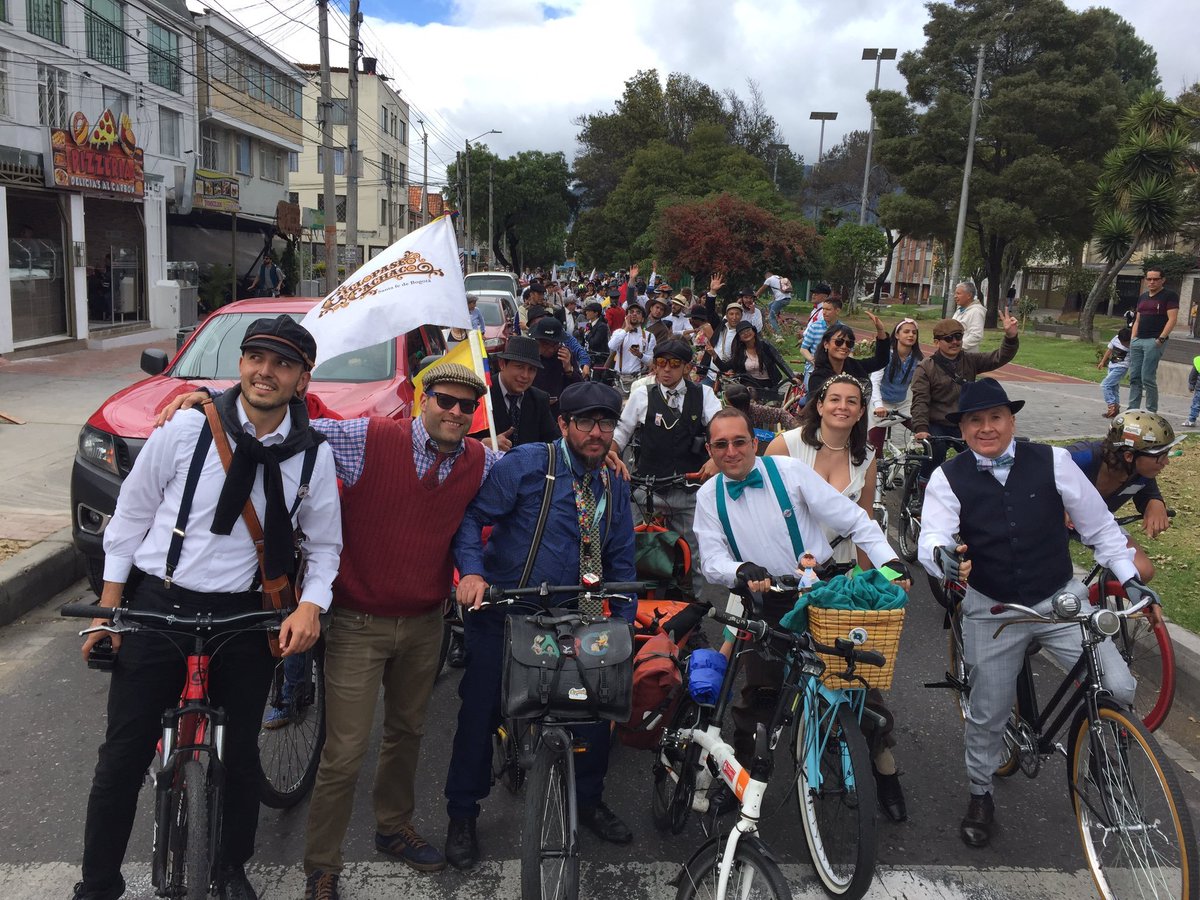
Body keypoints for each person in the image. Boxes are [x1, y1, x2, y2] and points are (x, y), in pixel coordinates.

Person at [74, 316, 342, 900]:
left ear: (302, 379)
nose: (265, 372)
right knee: (121, 757)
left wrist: (310, 606)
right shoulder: (185, 428)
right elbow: (130, 519)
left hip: (244, 614)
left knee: (239, 756)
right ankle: (97, 885)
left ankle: (228, 867)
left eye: (283, 364)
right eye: (256, 358)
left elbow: (325, 547)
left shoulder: (312, 455)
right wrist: (108, 610)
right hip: (160, 603)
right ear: (240, 364)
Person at [917, 379, 1151, 849]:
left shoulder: (1054, 461)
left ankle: (1104, 755)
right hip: (993, 606)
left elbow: (1100, 528)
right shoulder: (949, 477)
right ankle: (980, 793)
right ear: (962, 429)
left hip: (1058, 597)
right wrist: (943, 557)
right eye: (975, 420)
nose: (986, 428)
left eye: (995, 417)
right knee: (988, 711)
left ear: (1011, 420)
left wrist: (1130, 578)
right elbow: (933, 536)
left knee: (1118, 684)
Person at [445, 382, 638, 867]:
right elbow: (472, 518)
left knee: (597, 703)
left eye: (606, 423)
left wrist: (624, 626)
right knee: (480, 708)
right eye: (585, 422)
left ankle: (588, 799)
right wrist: (473, 573)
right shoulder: (528, 464)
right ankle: (462, 812)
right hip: (508, 608)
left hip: (579, 611)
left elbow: (620, 558)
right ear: (564, 424)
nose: (597, 433)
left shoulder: (614, 482)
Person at [694, 408, 910, 786]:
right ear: (710, 450)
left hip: (818, 592)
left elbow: (854, 519)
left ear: (755, 443)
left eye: (739, 441)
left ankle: (883, 767)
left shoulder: (788, 472)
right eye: (721, 444)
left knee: (855, 678)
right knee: (758, 693)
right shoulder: (708, 496)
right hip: (766, 601)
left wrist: (890, 564)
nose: (731, 451)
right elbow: (711, 561)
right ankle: (742, 782)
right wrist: (740, 569)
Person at [765, 372, 909, 822]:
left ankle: (884, 768)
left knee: (859, 675)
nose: (842, 407)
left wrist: (883, 576)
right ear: (819, 404)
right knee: (760, 677)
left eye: (852, 401)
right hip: (786, 574)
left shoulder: (865, 457)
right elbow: (761, 509)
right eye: (834, 399)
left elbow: (865, 523)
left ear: (862, 411)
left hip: (839, 575)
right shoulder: (786, 446)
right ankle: (745, 773)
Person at [612, 340, 722, 593]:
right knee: (629, 545)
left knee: (693, 553)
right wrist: (611, 453)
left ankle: (693, 605)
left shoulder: (703, 394)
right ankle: (628, 602)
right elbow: (622, 431)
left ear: (687, 367)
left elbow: (720, 427)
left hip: (689, 488)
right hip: (648, 486)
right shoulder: (642, 394)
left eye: (674, 364)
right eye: (661, 363)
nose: (666, 369)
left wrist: (716, 458)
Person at [1066, 409, 1182, 588]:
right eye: (1160, 457)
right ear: (1129, 456)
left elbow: (1149, 494)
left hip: (1098, 524)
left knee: (1142, 571)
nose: (1166, 462)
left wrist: (1155, 503)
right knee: (1050, 572)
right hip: (1051, 522)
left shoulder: (1141, 473)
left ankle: (1096, 597)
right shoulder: (1081, 457)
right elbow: (1037, 471)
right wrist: (1057, 504)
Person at [910, 313, 1019, 449]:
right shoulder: (925, 367)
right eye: (948, 338)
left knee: (976, 454)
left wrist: (1010, 337)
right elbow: (920, 401)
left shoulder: (970, 360)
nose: (955, 342)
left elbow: (999, 357)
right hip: (937, 424)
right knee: (935, 452)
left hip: (964, 421)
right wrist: (921, 428)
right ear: (936, 342)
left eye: (958, 337)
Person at [478, 336, 559, 451]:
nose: (525, 375)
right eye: (519, 367)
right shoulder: (482, 395)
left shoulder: (539, 399)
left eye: (531, 369)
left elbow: (554, 443)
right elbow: (459, 441)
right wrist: (483, 444)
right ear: (502, 364)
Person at [807, 310, 890, 400]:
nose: (844, 346)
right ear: (826, 344)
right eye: (839, 342)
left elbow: (881, 360)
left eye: (849, 343)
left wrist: (880, 330)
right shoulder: (818, 377)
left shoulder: (855, 367)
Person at [1127, 268, 1179, 412]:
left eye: (1155, 279)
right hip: (1138, 340)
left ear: (1163, 280)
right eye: (1149, 279)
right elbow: (1138, 319)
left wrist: (1161, 338)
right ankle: (1132, 410)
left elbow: (1172, 319)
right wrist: (1133, 338)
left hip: (1154, 341)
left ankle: (1151, 411)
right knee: (1134, 377)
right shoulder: (1143, 297)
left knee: (1147, 378)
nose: (1151, 282)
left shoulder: (1169, 295)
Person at [868, 318, 922, 455]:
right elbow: (874, 381)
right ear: (897, 335)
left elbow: (921, 385)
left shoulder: (918, 359)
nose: (911, 335)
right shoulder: (887, 355)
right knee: (875, 450)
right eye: (906, 332)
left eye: (914, 332)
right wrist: (878, 405)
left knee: (925, 431)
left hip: (903, 404)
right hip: (881, 403)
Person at [715, 322, 800, 402]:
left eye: (748, 330)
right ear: (739, 338)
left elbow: (780, 361)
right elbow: (724, 367)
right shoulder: (740, 352)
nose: (746, 333)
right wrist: (713, 354)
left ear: (754, 331)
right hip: (752, 383)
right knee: (750, 395)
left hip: (771, 383)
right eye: (742, 333)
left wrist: (792, 376)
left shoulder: (764, 345)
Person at [608, 301, 655, 394]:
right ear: (626, 317)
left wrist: (640, 355)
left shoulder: (649, 336)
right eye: (631, 312)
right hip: (620, 381)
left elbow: (651, 361)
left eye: (638, 312)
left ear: (642, 319)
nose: (634, 314)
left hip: (640, 380)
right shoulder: (618, 332)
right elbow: (612, 346)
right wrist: (626, 329)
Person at [722, 382, 798, 433]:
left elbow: (781, 414)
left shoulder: (756, 411)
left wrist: (796, 431)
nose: (724, 406)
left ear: (738, 407)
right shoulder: (723, 417)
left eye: (726, 403)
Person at [799, 296, 843, 380]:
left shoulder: (843, 330)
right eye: (823, 309)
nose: (824, 312)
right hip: (814, 369)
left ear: (837, 311)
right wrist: (813, 360)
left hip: (835, 370)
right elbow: (803, 349)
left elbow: (849, 352)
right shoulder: (814, 327)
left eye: (828, 309)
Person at [1097, 325, 1132, 418]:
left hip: (1121, 367)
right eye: (1123, 342)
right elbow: (1109, 350)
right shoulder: (1116, 338)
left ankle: (1111, 405)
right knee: (1113, 387)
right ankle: (1115, 408)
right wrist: (1102, 361)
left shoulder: (1133, 344)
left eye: (1126, 343)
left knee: (1105, 385)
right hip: (1112, 365)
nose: (1124, 345)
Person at [951, 282, 985, 353]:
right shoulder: (959, 310)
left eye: (958, 293)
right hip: (954, 353)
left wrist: (957, 346)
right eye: (955, 293)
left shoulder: (976, 311)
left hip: (966, 355)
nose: (955, 296)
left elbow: (976, 336)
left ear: (969, 295)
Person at [756, 269, 792, 334]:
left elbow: (762, 288)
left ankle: (778, 333)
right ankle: (777, 318)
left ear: (766, 275)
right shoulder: (779, 277)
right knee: (770, 305)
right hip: (788, 299)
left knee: (771, 317)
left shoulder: (769, 279)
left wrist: (755, 295)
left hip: (781, 299)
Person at [1184, 356, 1200, 428]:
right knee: (1196, 405)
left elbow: (1193, 375)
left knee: (1196, 405)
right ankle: (1191, 420)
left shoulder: (1198, 360)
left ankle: (1191, 421)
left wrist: (1191, 385)